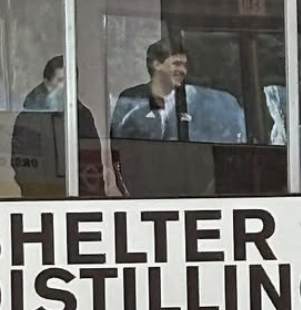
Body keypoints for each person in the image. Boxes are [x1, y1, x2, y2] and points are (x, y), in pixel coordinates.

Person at [11, 55, 108, 198]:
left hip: (79, 200)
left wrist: (91, 196)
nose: (68, 86)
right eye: (61, 80)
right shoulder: (29, 117)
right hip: (41, 202)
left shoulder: (83, 116)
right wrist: (40, 197)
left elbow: (92, 160)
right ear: (47, 83)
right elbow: (24, 166)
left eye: (72, 80)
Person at [110, 40, 191, 141]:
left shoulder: (190, 102)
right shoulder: (130, 99)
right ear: (157, 65)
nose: (183, 70)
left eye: (185, 65)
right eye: (176, 64)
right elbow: (117, 141)